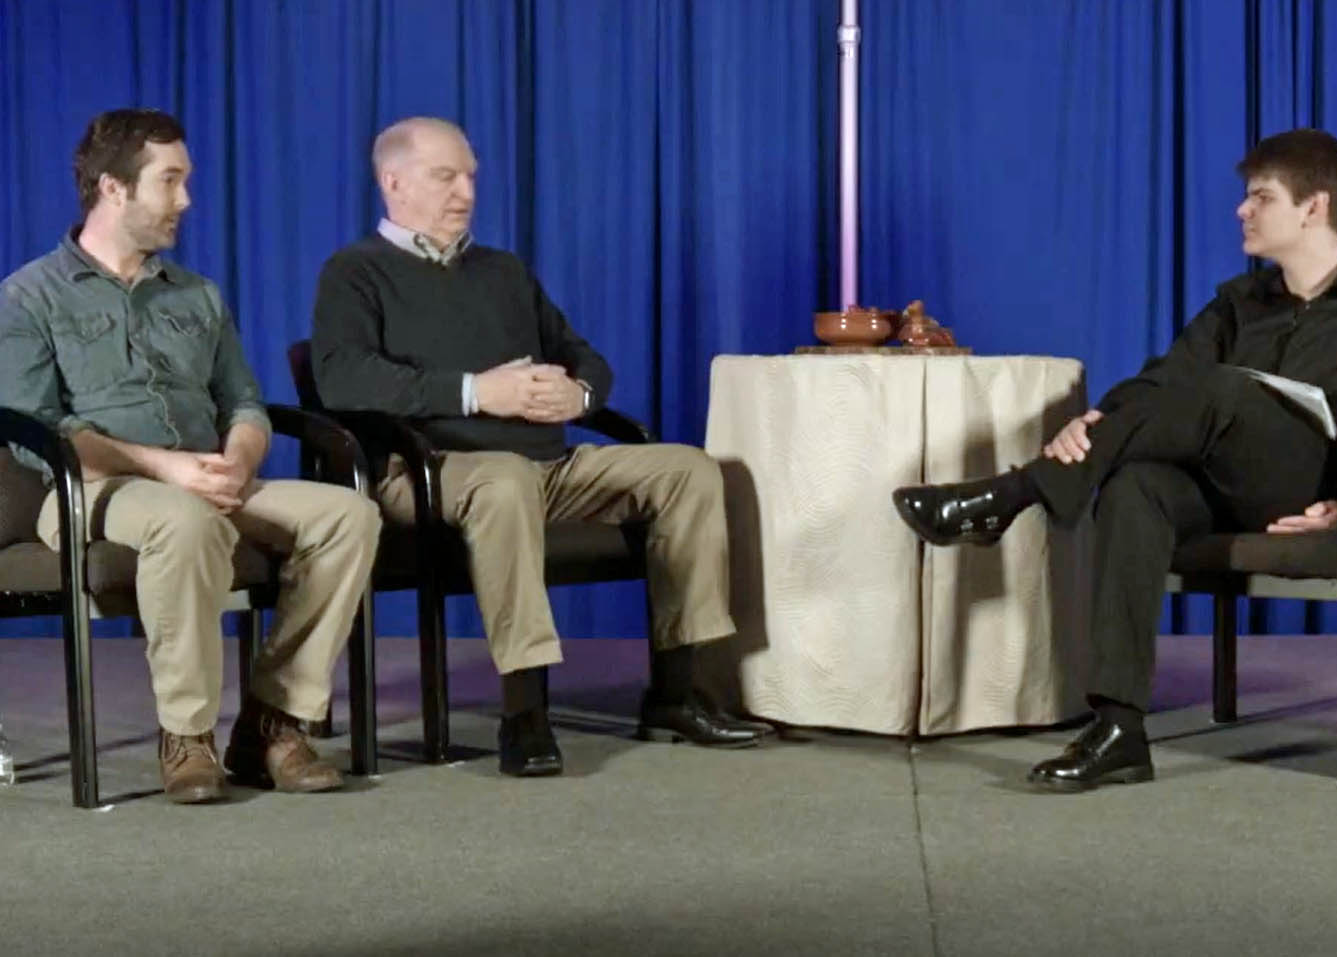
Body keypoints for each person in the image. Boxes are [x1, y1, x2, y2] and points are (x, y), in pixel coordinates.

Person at [892, 129, 1337, 792]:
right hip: (1223, 481)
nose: (1242, 210)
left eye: (1259, 197)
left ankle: (1012, 495)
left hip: (1312, 487)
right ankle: (1118, 727)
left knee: (1223, 385)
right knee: (1135, 485)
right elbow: (1163, 381)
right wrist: (1094, 424)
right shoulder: (1238, 303)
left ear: (1313, 207)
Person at [311, 117, 766, 778]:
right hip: (428, 472)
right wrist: (476, 391)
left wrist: (577, 397)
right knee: (503, 478)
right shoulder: (354, 272)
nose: (465, 191)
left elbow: (582, 357)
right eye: (446, 177)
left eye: (470, 175)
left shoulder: (501, 270)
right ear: (394, 182)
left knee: (687, 469)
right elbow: (343, 377)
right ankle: (525, 712)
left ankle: (679, 691)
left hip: (545, 464)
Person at [0, 109, 382, 804]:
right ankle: (187, 732)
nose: (187, 200)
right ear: (114, 189)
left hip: (206, 476)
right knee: (183, 517)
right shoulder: (28, 296)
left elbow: (244, 402)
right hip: (89, 490)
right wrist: (164, 466)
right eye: (170, 181)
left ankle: (274, 722)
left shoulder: (197, 296)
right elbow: (42, 428)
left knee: (349, 513)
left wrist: (239, 455)